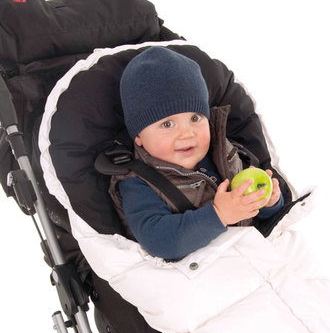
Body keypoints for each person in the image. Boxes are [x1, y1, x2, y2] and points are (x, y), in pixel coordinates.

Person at [108, 46, 284, 260]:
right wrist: (219, 215)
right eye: (167, 124)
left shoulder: (222, 152)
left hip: (251, 254)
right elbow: (160, 241)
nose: (187, 133)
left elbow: (253, 211)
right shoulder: (137, 183)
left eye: (195, 118)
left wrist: (268, 202)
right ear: (138, 136)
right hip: (191, 271)